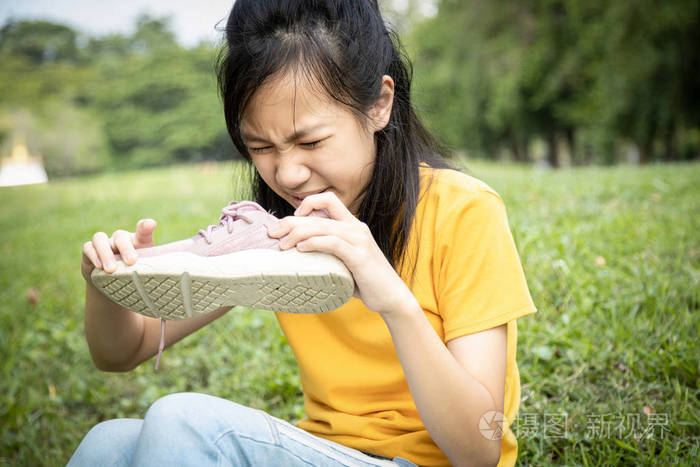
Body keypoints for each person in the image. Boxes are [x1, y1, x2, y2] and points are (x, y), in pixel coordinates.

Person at [70, 1, 536, 466]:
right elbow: (122, 352)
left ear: (379, 104)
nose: (288, 174)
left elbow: (479, 450)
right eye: (261, 147)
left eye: (310, 141)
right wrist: (106, 281)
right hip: (326, 451)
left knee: (181, 418)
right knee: (108, 444)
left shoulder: (463, 211)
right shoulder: (278, 232)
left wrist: (392, 299)